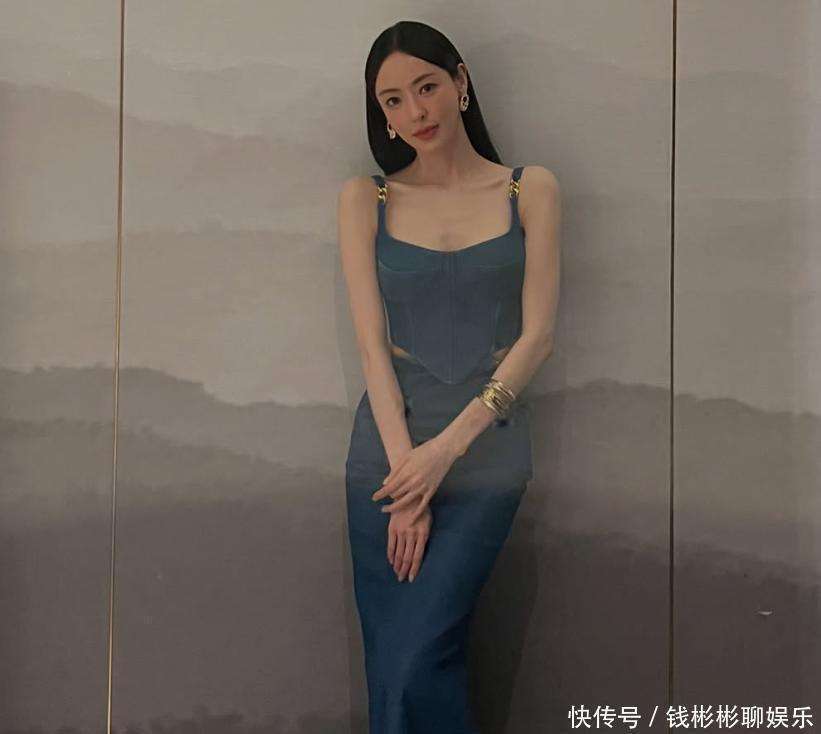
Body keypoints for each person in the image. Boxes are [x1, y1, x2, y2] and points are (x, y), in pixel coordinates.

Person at [337, 20, 561, 734]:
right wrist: (407, 477)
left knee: (421, 654)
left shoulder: (528, 188)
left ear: (460, 82)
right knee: (396, 668)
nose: (416, 111)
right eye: (393, 100)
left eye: (427, 87)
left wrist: (444, 454)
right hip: (387, 452)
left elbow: (538, 338)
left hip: (485, 448)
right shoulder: (366, 198)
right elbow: (371, 347)